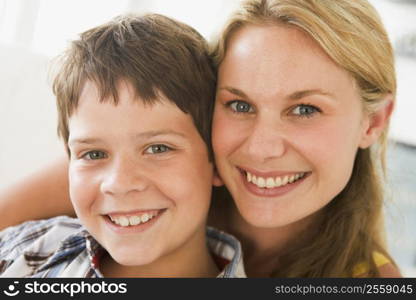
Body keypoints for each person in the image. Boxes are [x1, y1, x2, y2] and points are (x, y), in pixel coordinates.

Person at [0, 0, 401, 277]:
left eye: (305, 110)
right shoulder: (117, 171)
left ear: (373, 121)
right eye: (240, 105)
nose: (262, 147)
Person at [0, 14, 245, 278]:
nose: (119, 183)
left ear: (217, 161)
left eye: (158, 148)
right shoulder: (24, 250)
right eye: (94, 154)